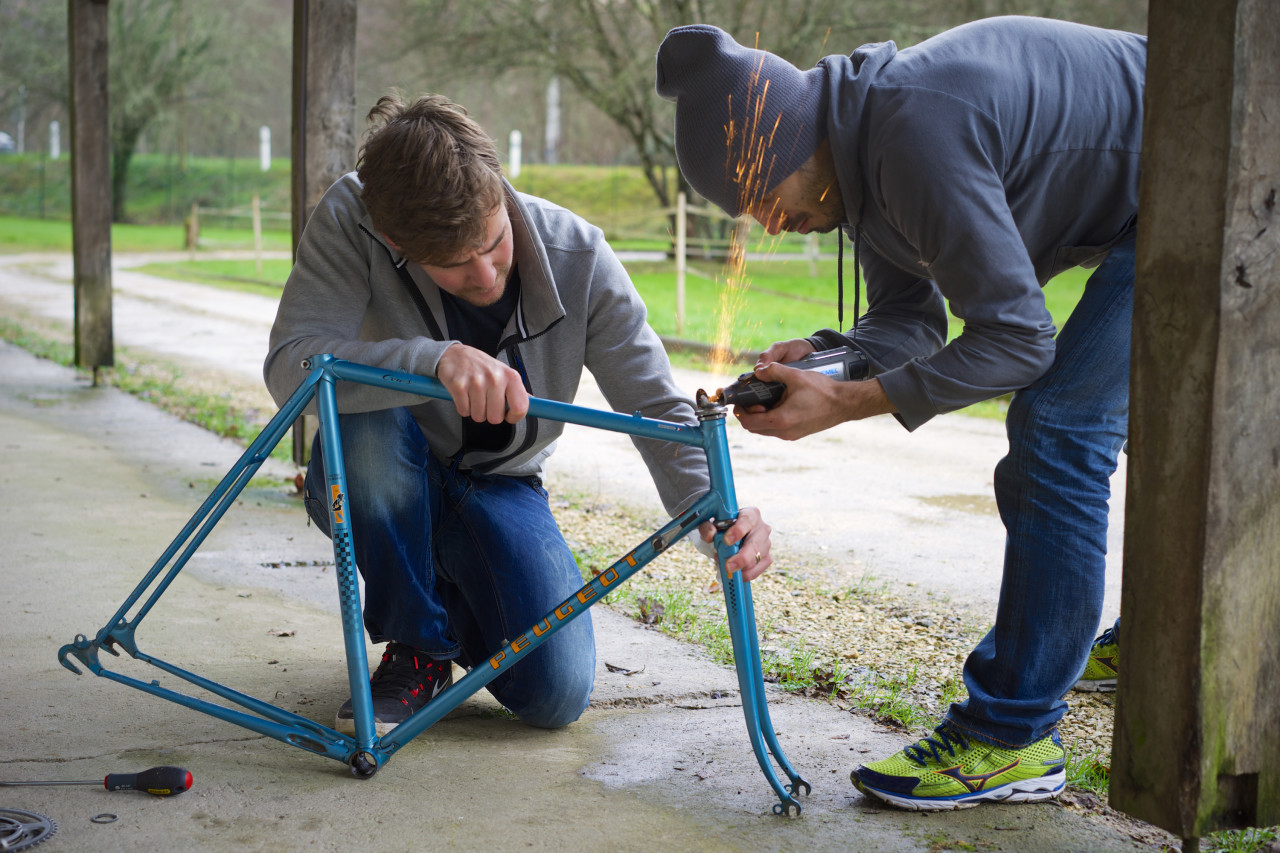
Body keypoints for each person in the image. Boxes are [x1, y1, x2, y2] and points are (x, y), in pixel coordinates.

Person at [655, 16, 1144, 810]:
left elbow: (1019, 341)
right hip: (1143, 194)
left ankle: (1008, 737)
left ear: (792, 148)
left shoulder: (911, 133)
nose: (771, 225)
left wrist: (848, 402)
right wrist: (827, 356)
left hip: (1215, 162)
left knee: (1059, 426)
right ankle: (1157, 640)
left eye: (761, 200)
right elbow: (908, 324)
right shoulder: (858, 150)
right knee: (1108, 403)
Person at [264, 92, 772, 736]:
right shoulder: (352, 215)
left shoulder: (580, 255)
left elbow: (658, 407)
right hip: (375, 469)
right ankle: (417, 647)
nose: (484, 275)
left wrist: (719, 515)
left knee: (553, 693)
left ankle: (443, 597)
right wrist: (432, 361)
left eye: (493, 243)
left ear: (499, 190)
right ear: (395, 241)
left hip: (501, 482)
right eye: (453, 265)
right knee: (361, 406)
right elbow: (290, 367)